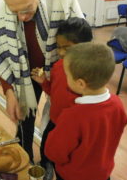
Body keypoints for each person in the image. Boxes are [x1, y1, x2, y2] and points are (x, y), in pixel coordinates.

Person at [0, 0, 84, 163]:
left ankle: (49, 160)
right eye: (15, 11)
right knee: (24, 120)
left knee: (57, 122)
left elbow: (81, 41)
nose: (22, 17)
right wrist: (8, 90)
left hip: (61, 73)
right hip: (26, 75)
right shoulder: (4, 12)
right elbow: (2, 52)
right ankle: (25, 158)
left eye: (26, 9)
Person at [45, 42, 127, 180]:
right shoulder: (118, 104)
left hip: (73, 175)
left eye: (67, 75)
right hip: (102, 173)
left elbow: (54, 153)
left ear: (81, 83)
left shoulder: (72, 116)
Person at [31, 17, 93, 178]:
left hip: (73, 128)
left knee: (67, 157)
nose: (61, 52)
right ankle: (46, 165)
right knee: (46, 147)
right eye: (59, 47)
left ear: (86, 46)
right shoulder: (58, 66)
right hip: (55, 121)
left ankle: (59, 170)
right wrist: (44, 82)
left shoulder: (88, 75)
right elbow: (53, 91)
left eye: (67, 48)